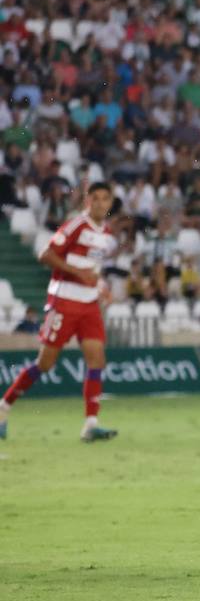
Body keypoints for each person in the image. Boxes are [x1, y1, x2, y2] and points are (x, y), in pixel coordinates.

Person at [0, 183, 118, 442]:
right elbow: (46, 254)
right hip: (63, 302)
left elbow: (92, 268)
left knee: (97, 360)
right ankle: (3, 408)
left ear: (110, 203)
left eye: (105, 199)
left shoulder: (106, 234)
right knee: (45, 363)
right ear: (88, 201)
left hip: (88, 306)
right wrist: (79, 273)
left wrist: (100, 287)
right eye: (95, 198)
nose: (100, 203)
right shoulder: (77, 225)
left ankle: (90, 424)